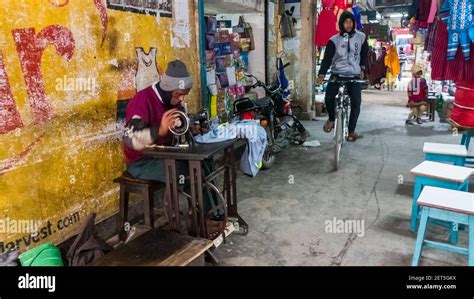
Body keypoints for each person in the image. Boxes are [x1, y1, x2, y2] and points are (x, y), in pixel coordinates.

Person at [123, 60, 222, 235]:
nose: (181, 99)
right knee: (187, 173)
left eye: (185, 94)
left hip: (163, 155)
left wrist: (191, 128)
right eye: (178, 94)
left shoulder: (173, 100)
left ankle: (213, 215)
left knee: (206, 164)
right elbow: (131, 140)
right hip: (141, 162)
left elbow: (176, 128)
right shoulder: (143, 101)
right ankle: (196, 224)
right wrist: (160, 130)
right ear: (167, 89)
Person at [317, 11, 368, 142]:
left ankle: (351, 131)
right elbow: (327, 59)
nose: (348, 24)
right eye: (346, 22)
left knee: (356, 103)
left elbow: (364, 54)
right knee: (328, 97)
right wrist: (322, 74)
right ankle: (332, 119)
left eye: (351, 22)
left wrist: (362, 68)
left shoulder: (361, 37)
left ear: (354, 23)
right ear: (341, 23)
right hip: (337, 74)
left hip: (354, 75)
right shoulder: (333, 40)